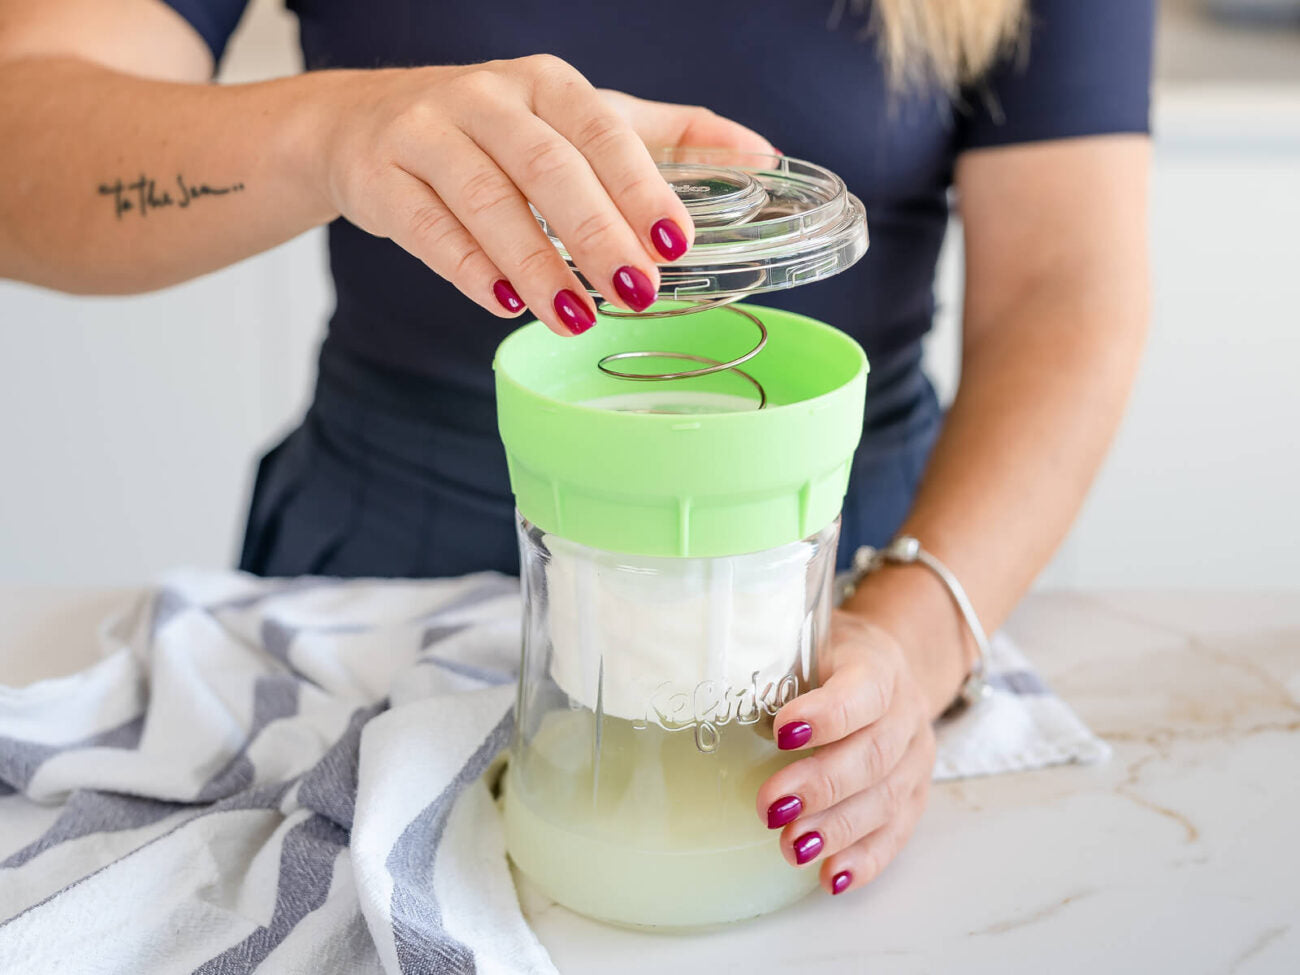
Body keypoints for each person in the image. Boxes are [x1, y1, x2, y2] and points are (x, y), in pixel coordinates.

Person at [0, 0, 1154, 900]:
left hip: (851, 583)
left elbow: (1065, 286)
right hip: (375, 569)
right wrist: (333, 133)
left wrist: (915, 633)